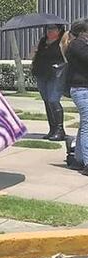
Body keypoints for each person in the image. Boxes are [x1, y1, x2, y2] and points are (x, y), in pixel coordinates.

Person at [32, 23, 67, 142]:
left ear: (59, 30)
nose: (49, 31)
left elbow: (66, 58)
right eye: (48, 28)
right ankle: (52, 129)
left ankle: (60, 130)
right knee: (46, 100)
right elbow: (36, 56)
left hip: (56, 74)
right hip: (42, 73)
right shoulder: (43, 41)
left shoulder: (63, 41)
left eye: (53, 28)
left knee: (53, 99)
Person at [65, 19, 88, 173]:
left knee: (84, 126)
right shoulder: (77, 45)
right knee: (87, 126)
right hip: (81, 90)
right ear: (82, 32)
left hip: (82, 89)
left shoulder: (80, 45)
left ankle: (79, 159)